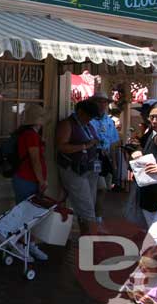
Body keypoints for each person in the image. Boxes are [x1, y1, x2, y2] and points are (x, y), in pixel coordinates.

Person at [56, 100, 101, 235]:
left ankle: (85, 237)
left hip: (89, 169)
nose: (90, 119)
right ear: (80, 112)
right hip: (75, 170)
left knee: (88, 206)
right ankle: (92, 243)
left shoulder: (87, 125)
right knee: (87, 208)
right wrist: (84, 146)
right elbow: (61, 146)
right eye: (89, 116)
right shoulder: (67, 124)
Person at [11, 103, 49, 261]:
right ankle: (21, 244)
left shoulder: (26, 134)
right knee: (27, 216)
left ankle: (28, 243)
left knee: (28, 215)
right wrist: (41, 180)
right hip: (27, 179)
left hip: (23, 178)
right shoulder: (31, 135)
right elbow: (34, 159)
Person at [131, 101, 157, 251]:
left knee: (149, 248)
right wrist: (137, 154)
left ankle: (147, 273)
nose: (153, 121)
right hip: (148, 200)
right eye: (151, 117)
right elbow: (141, 149)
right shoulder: (150, 136)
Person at [89, 91, 120, 223]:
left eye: (104, 102)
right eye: (99, 101)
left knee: (104, 188)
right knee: (97, 186)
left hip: (105, 157)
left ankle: (98, 215)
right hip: (91, 155)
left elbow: (113, 142)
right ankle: (92, 215)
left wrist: (113, 162)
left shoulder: (109, 121)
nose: (102, 105)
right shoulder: (88, 118)